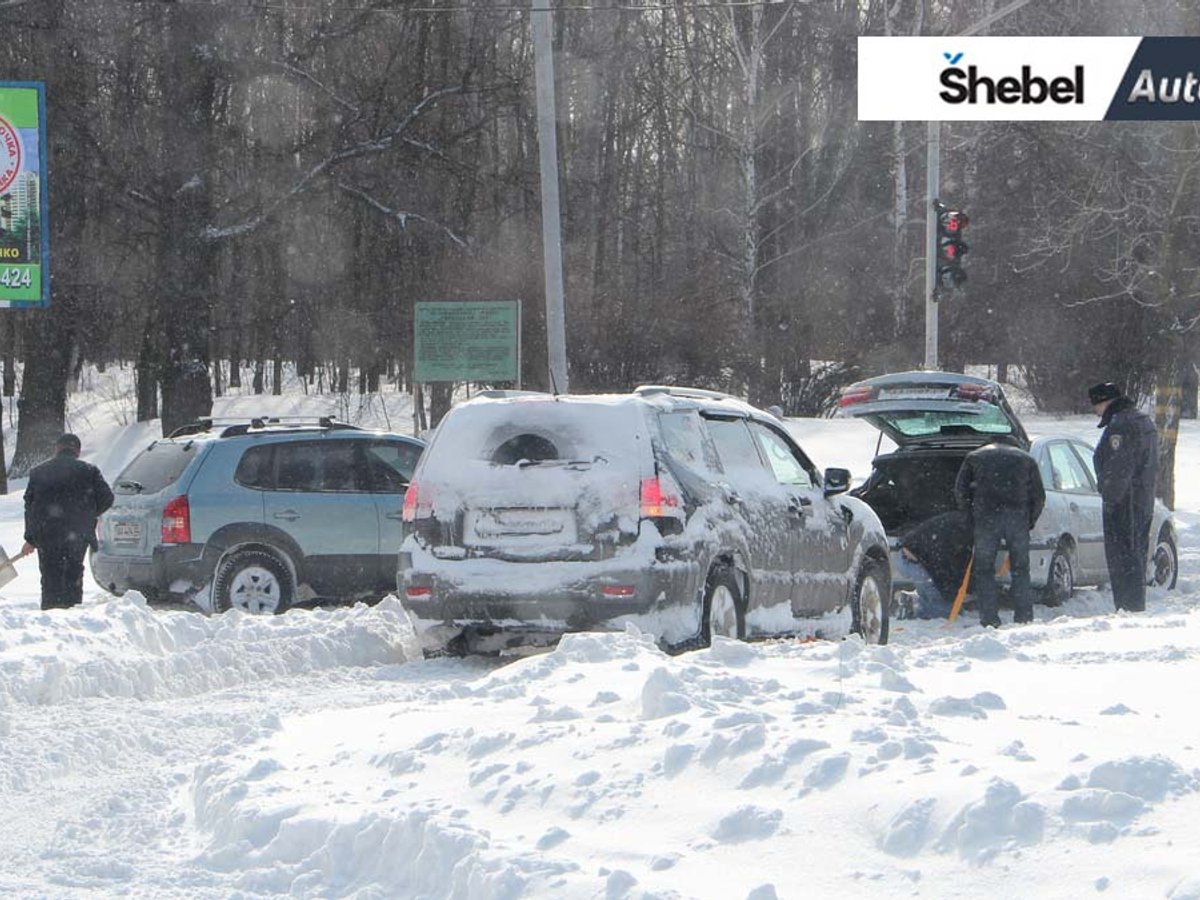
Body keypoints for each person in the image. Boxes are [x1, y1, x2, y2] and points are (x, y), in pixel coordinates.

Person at [954, 434, 1045, 627]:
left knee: (984, 569)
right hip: (1017, 517)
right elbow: (1039, 495)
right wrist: (1030, 520)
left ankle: (989, 619)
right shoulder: (1026, 459)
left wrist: (970, 517)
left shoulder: (974, 457)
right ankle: (1024, 616)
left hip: (986, 517)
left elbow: (960, 491)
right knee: (1020, 569)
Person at [22, 433, 114, 610]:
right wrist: (87, 515)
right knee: (73, 574)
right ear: (78, 451)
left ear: (57, 449)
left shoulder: (38, 472)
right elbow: (107, 498)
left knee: (50, 576)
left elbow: (30, 507)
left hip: (47, 534)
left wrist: (31, 537)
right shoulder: (89, 471)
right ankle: (72, 613)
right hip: (77, 535)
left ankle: (50, 613)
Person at [1089, 382, 1158, 613]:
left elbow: (1118, 468)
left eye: (1096, 405)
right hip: (1142, 500)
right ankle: (1135, 605)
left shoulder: (1121, 425)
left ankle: (1128, 608)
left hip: (1124, 503)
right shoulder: (1143, 420)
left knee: (1122, 559)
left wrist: (1110, 498)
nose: (1096, 411)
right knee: (1136, 555)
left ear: (1105, 402)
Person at [893, 510, 973, 619]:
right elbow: (941, 570)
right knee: (946, 610)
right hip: (913, 561)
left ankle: (912, 599)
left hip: (906, 555)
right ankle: (913, 608)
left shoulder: (955, 520)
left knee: (930, 594)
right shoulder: (957, 537)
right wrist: (954, 594)